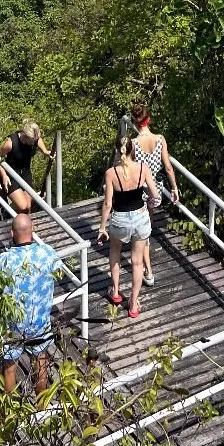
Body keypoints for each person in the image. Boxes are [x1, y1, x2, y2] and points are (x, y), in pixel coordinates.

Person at [0, 212, 61, 395]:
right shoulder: (47, 252)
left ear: (12, 233)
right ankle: (41, 406)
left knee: (9, 368)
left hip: (13, 324)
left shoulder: (5, 260)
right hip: (39, 321)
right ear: (33, 229)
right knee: (40, 363)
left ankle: (8, 408)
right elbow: (58, 274)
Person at [96, 137, 158, 320]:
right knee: (137, 262)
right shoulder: (143, 168)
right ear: (133, 150)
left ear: (117, 151)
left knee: (115, 252)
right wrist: (149, 204)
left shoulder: (111, 173)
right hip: (140, 216)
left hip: (120, 219)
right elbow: (155, 195)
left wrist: (102, 228)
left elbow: (108, 204)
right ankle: (133, 303)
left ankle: (115, 291)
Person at [130, 102, 179, 288]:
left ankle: (148, 271)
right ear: (148, 119)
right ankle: (146, 266)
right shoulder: (160, 139)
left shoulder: (134, 143)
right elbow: (168, 166)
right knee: (147, 227)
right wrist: (174, 188)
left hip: (139, 190)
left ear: (134, 123)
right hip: (155, 189)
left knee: (142, 233)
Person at [0, 122, 55, 212]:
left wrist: (45, 151)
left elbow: (38, 140)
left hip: (25, 174)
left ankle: (26, 220)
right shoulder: (10, 143)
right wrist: (4, 175)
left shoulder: (34, 139)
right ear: (25, 136)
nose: (33, 143)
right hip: (10, 175)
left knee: (28, 207)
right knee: (23, 206)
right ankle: (10, 208)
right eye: (32, 141)